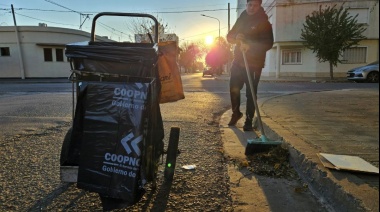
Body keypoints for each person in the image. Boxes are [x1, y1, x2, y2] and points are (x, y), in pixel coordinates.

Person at [226, 0, 273, 131]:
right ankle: (236, 113)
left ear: (259, 6)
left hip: (254, 63)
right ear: (246, 5)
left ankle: (248, 119)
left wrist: (250, 46)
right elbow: (229, 36)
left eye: (255, 5)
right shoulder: (241, 19)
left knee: (250, 92)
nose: (252, 8)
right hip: (238, 61)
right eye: (249, 4)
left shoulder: (264, 22)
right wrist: (236, 37)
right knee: (233, 88)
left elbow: (268, 43)